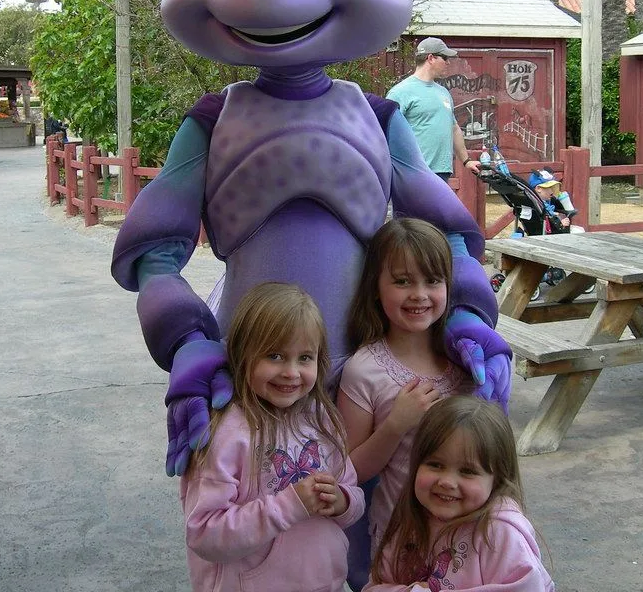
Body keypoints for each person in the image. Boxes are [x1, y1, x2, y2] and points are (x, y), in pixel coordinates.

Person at [340, 218, 499, 588]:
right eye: (402, 281)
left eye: (432, 280)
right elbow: (351, 472)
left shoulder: (465, 360)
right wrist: (396, 425)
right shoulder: (364, 370)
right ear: (375, 288)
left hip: (471, 534)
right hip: (403, 540)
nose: (419, 294)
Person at [181, 282, 364, 592]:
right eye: (275, 356)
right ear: (242, 354)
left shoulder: (323, 420)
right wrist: (290, 506)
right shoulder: (227, 434)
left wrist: (342, 501)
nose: (292, 372)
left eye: (305, 358)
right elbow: (204, 533)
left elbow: (353, 492)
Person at [367, 395, 554, 592]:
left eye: (467, 471)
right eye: (435, 465)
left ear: (497, 478)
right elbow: (375, 586)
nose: (446, 482)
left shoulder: (499, 531)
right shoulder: (411, 519)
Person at [386, 37, 480, 182]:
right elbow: (386, 131)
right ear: (431, 58)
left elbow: (454, 128)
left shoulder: (444, 92)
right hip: (414, 174)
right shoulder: (400, 92)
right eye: (445, 58)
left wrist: (466, 161)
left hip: (442, 172)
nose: (448, 63)